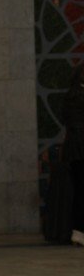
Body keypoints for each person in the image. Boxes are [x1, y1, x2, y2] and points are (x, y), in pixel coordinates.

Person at [62, 63, 84, 246]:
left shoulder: (71, 95)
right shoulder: (79, 95)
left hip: (76, 150)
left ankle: (78, 231)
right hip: (80, 149)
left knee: (80, 190)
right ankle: (79, 231)